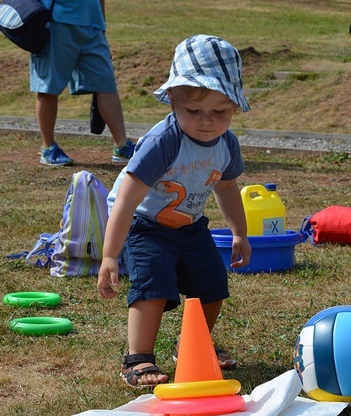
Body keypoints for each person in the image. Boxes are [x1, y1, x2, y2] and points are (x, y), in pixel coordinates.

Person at [98, 35, 252, 388]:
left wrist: (240, 233)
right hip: (145, 224)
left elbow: (226, 187)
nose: (206, 121)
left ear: (235, 108)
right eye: (193, 111)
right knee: (154, 285)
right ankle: (137, 358)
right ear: (172, 101)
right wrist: (110, 256)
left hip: (191, 225)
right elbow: (126, 198)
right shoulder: (163, 142)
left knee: (212, 284)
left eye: (220, 112)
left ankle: (193, 344)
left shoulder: (227, 145)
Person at [31, 0, 133, 166]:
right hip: (56, 20)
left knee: (105, 82)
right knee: (48, 86)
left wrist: (102, 26)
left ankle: (122, 147)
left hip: (93, 23)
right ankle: (48, 147)